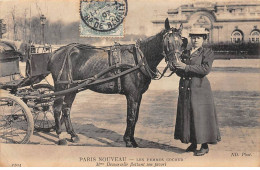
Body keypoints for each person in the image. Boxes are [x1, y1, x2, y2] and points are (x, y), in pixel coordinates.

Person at [173, 27, 221, 156]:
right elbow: (180, 71)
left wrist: (186, 67)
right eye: (193, 37)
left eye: (199, 37)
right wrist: (176, 67)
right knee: (188, 115)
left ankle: (204, 145)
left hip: (200, 89)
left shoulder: (207, 52)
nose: (195, 40)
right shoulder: (185, 52)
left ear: (204, 39)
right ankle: (193, 143)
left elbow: (205, 69)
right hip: (185, 88)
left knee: (201, 116)